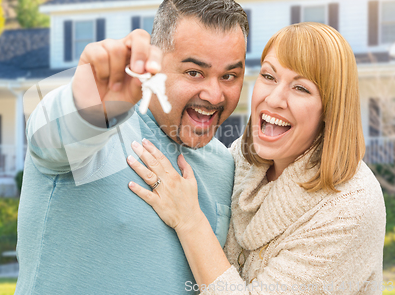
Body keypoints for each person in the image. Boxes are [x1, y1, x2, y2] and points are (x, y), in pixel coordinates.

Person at [15, 0, 249, 294]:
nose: (214, 95)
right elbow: (51, 137)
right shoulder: (100, 129)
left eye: (229, 76)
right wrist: (88, 106)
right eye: (194, 73)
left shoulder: (225, 166)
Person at [127, 22, 386, 294]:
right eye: (269, 76)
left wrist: (189, 221)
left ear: (330, 110)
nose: (274, 99)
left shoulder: (350, 207)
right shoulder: (242, 159)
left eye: (301, 88)